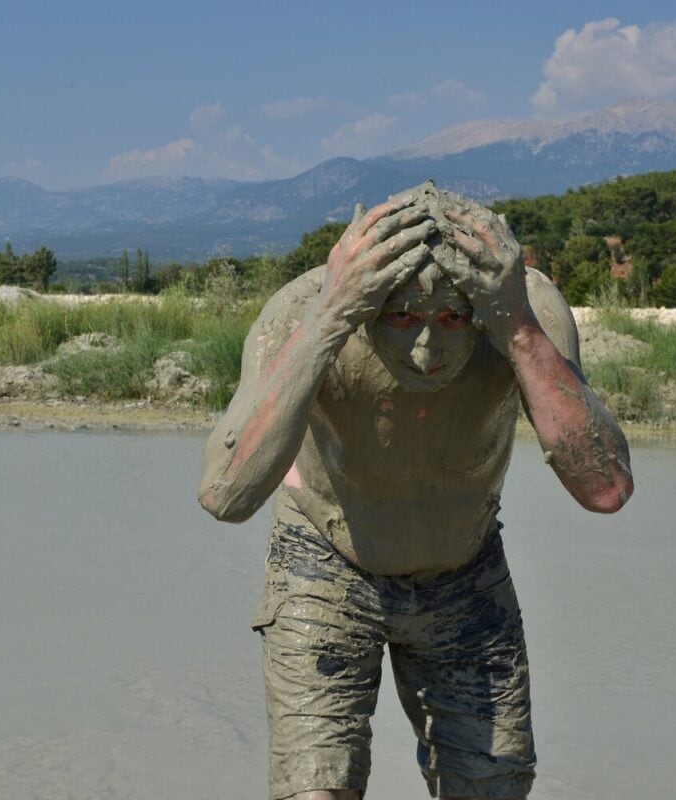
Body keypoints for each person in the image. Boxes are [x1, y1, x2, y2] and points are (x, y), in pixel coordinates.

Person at [198, 182, 633, 800]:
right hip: (325, 560)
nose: (427, 351)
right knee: (315, 788)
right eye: (400, 316)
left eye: (453, 318)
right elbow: (225, 493)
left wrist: (515, 330)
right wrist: (329, 318)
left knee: (494, 787)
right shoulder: (306, 309)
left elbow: (606, 487)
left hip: (463, 571)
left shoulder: (521, 308)